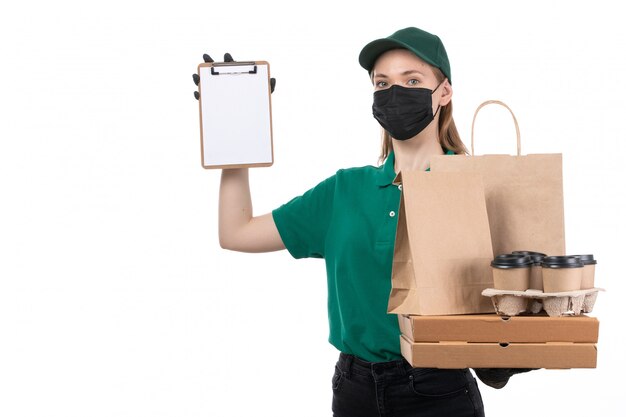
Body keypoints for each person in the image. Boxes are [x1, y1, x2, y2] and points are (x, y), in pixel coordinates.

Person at [193, 26, 530, 417]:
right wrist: (234, 140)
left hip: (440, 391)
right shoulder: (344, 191)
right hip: (355, 391)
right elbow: (237, 232)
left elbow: (520, 287)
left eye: (412, 80)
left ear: (444, 92)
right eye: (382, 83)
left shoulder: (476, 185)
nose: (395, 93)